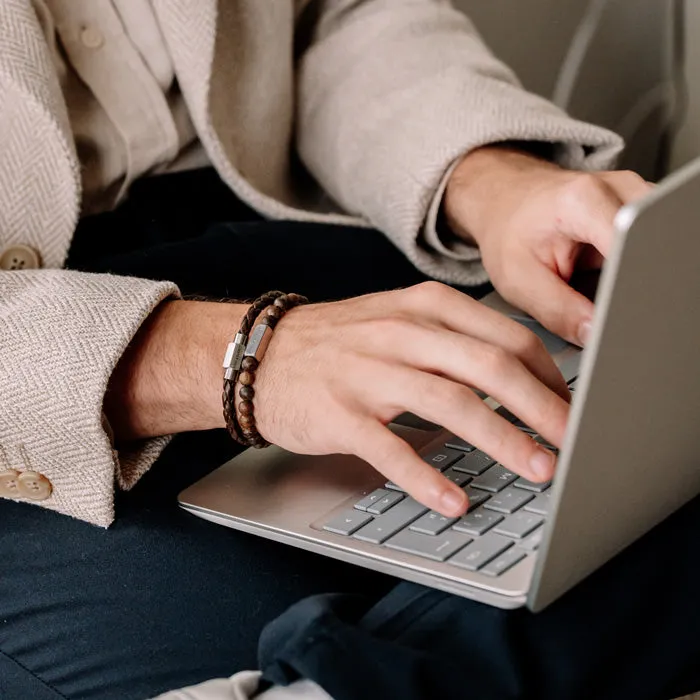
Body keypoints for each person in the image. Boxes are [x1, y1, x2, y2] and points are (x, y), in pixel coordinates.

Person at [3, 1, 689, 699]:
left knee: (644, 417)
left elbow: (326, 19)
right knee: (244, 634)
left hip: (285, 229)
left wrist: (487, 179)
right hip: (33, 385)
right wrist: (246, 362)